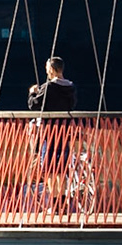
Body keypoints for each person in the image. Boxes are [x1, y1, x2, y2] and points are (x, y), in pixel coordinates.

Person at [26, 55, 82, 213]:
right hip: (65, 131)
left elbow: (34, 105)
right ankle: (64, 203)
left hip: (49, 132)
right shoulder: (71, 87)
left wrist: (32, 93)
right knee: (61, 168)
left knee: (50, 169)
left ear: (51, 69)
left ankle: (56, 204)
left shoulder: (48, 87)